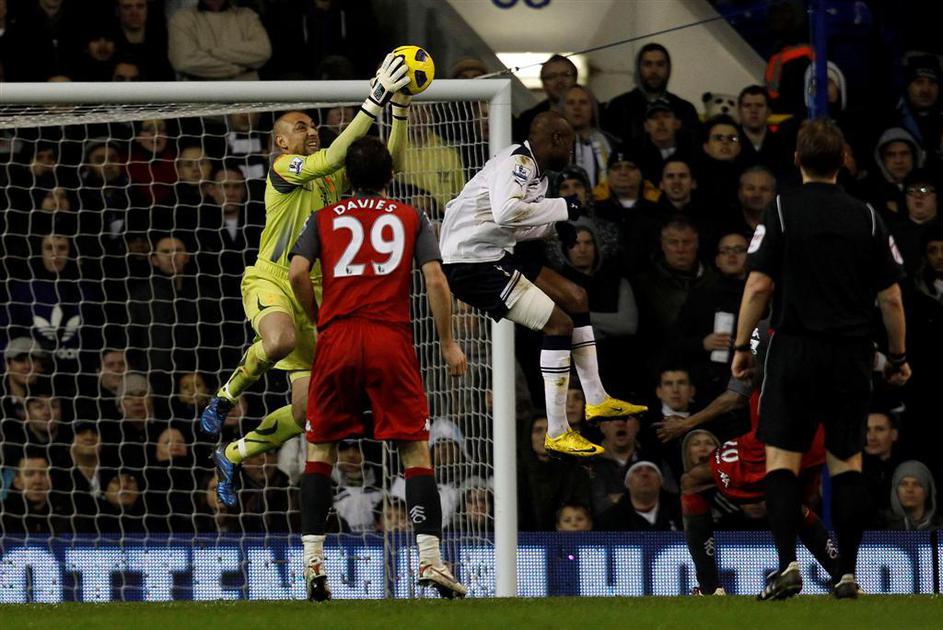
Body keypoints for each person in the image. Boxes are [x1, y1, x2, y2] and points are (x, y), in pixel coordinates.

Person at [199, 55, 412, 508]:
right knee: (279, 340)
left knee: (309, 411)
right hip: (272, 279)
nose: (311, 131)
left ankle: (233, 453)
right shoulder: (282, 169)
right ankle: (224, 397)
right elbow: (332, 155)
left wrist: (400, 111)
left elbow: (387, 166)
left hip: (317, 294)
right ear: (280, 140)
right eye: (300, 127)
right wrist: (374, 99)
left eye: (313, 126)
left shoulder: (333, 175)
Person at [732, 119, 910, 599]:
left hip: (794, 349)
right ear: (843, 162)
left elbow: (759, 284)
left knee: (782, 461)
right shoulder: (867, 217)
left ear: (797, 159)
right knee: (847, 463)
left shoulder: (781, 209)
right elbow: (891, 298)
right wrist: (898, 356)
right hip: (850, 355)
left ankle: (787, 564)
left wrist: (740, 346)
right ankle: (847, 573)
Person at [287, 136, 468, 600]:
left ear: (346, 177)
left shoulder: (323, 217)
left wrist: (318, 318)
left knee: (320, 447)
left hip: (339, 338)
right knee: (414, 449)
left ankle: (313, 562)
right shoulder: (411, 216)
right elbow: (435, 279)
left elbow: (296, 272)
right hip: (390, 339)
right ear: (390, 176)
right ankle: (430, 560)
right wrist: (448, 342)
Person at [438, 111, 648, 458]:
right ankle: (558, 431)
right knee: (559, 325)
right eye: (569, 145)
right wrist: (563, 207)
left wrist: (555, 227)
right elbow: (507, 213)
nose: (571, 153)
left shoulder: (537, 176)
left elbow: (515, 223)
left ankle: (596, 398)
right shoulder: (518, 163)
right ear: (555, 140)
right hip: (472, 262)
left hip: (495, 251)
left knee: (576, 297)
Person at [601, 42, 700, 146]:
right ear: (639, 69)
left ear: (668, 69)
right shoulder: (618, 107)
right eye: (648, 64)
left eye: (660, 64)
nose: (654, 71)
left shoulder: (685, 109)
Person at [168, 0, 271, 80]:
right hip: (200, 95)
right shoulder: (181, 19)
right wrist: (235, 69)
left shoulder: (247, 15)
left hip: (247, 94)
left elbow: (263, 51)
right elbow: (184, 62)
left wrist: (211, 52)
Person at [513, 54, 578, 142]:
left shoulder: (595, 114)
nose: (559, 81)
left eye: (566, 75)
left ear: (575, 79)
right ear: (543, 83)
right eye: (552, 76)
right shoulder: (528, 120)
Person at [883, 460, 942, 531]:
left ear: (927, 491)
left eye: (916, 484)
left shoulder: (940, 527)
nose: (909, 489)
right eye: (904, 484)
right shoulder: (880, 525)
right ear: (896, 490)